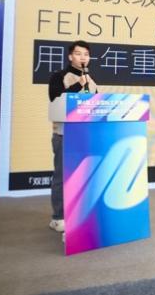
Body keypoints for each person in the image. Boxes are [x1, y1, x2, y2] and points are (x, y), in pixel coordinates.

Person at [47, 40, 98, 235]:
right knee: (62, 177)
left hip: (85, 135)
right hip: (64, 134)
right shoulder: (59, 76)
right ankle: (58, 217)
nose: (83, 57)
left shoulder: (91, 80)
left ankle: (78, 214)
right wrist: (78, 85)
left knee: (83, 177)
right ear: (70, 56)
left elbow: (96, 105)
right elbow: (55, 99)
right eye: (78, 53)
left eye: (86, 54)